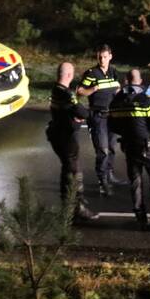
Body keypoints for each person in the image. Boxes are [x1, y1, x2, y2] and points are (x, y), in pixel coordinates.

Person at [109, 69, 150, 231]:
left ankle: (141, 218)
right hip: (146, 146)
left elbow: (112, 125)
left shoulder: (116, 100)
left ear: (126, 81)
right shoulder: (144, 99)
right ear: (140, 81)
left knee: (135, 181)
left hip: (128, 146)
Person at [47, 62, 99, 222]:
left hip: (58, 134)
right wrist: (87, 113)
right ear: (69, 75)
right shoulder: (66, 94)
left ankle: (70, 206)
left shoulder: (56, 89)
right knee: (74, 172)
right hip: (66, 137)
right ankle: (76, 209)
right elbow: (82, 112)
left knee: (68, 170)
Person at [77, 44, 125, 196]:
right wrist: (93, 89)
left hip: (112, 116)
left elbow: (118, 88)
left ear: (110, 56)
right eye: (99, 57)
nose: (102, 60)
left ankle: (110, 175)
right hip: (98, 117)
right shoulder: (91, 73)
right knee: (102, 150)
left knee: (111, 147)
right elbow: (79, 91)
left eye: (105, 57)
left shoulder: (113, 71)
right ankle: (102, 182)